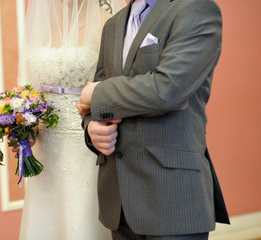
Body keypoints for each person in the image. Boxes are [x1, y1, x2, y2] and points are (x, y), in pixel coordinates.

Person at [77, 0, 230, 239]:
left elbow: (168, 89)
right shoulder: (113, 25)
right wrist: (92, 129)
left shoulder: (196, 8)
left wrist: (97, 94)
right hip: (117, 201)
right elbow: (93, 107)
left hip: (171, 198)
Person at [16, 1, 125, 240]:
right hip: (47, 147)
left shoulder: (109, 21)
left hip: (87, 139)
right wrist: (25, 128)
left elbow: (117, 85)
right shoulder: (45, 27)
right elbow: (30, 89)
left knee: (84, 217)